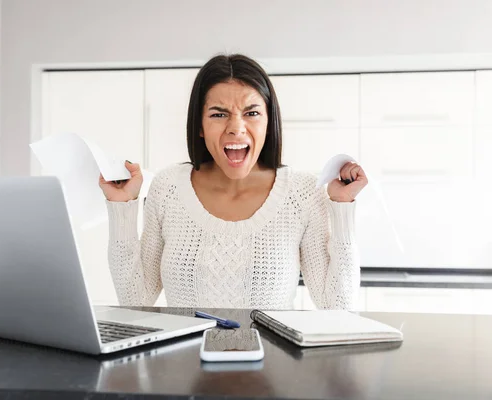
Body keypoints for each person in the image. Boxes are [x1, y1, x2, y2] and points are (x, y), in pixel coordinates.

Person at [99, 54, 367, 310]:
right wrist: (121, 207)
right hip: (183, 359)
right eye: (218, 114)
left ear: (269, 122)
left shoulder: (303, 193)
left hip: (269, 358)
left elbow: (337, 306)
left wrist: (342, 207)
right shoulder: (168, 187)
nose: (236, 127)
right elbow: (136, 297)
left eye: (251, 113)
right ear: (200, 126)